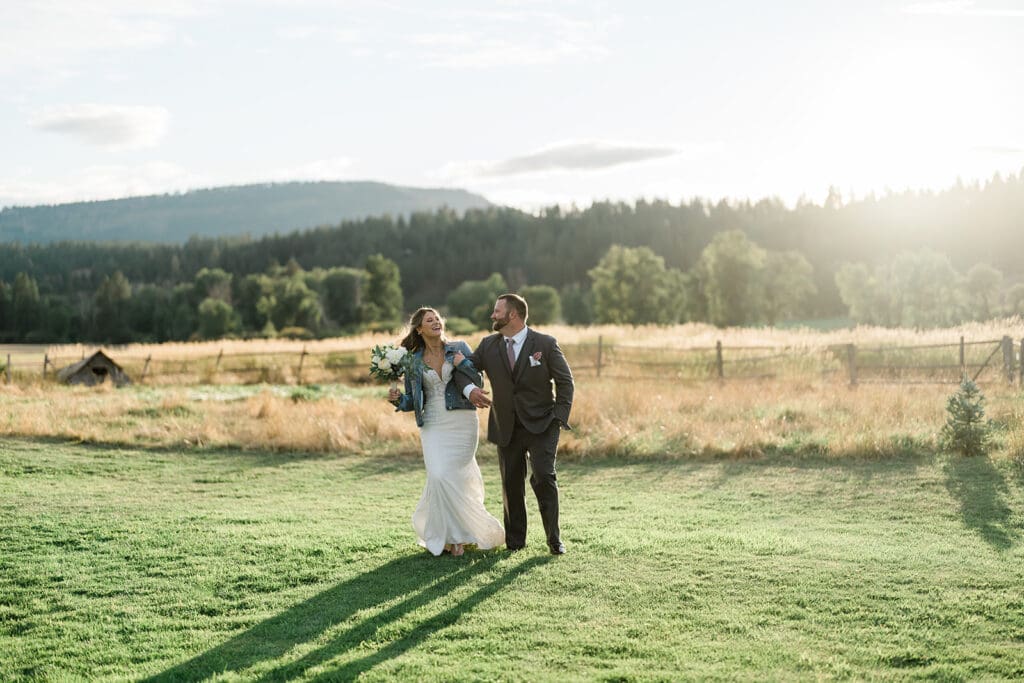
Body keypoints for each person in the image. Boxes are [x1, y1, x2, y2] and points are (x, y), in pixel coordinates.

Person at [455, 294, 574, 555]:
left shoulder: (545, 343)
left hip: (543, 424)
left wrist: (559, 417)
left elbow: (566, 382)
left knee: (544, 477)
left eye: (497, 311)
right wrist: (470, 388)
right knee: (511, 483)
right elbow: (464, 370)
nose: (492, 316)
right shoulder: (488, 345)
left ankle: (554, 539)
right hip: (506, 425)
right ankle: (516, 542)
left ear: (513, 315)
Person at [388, 307, 505, 557]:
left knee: (456, 476)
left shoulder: (460, 347)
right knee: (440, 475)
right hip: (432, 423)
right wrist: (398, 400)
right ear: (419, 329)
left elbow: (478, 380)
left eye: (437, 318)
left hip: (462, 420)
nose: (435, 322)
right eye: (429, 320)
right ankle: (451, 535)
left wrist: (463, 364)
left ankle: (458, 538)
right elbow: (412, 401)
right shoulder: (413, 360)